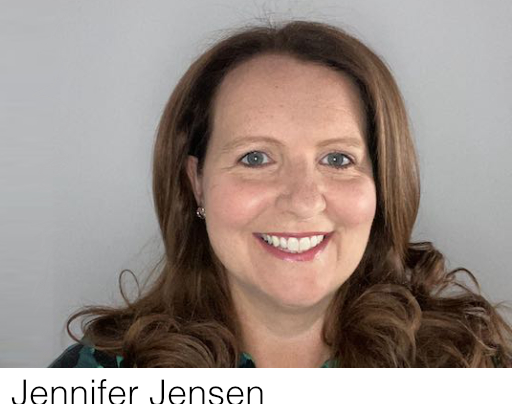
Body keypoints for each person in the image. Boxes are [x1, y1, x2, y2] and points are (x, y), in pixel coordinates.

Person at [50, 20, 512, 368]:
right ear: (196, 182)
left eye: (338, 159)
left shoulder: (471, 368)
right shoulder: (94, 384)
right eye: (255, 158)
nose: (303, 200)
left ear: (380, 184)